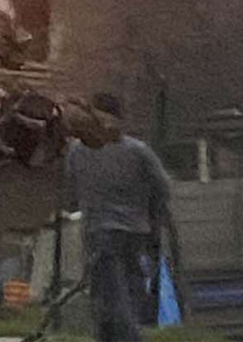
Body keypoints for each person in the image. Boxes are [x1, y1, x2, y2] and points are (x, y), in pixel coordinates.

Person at [65, 93, 171, 342]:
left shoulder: (78, 153)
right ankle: (125, 331)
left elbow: (69, 189)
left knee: (107, 291)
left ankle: (123, 337)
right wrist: (148, 209)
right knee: (131, 285)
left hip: (98, 229)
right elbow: (163, 187)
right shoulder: (138, 151)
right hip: (135, 229)